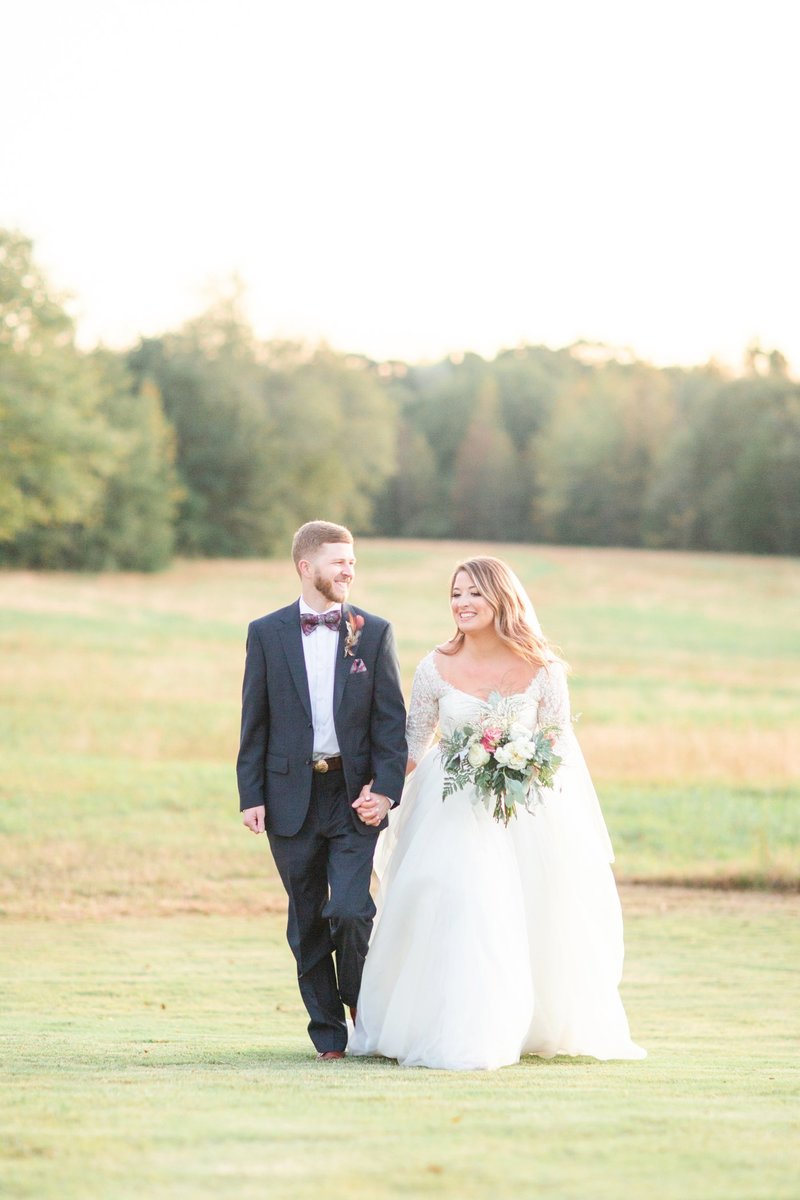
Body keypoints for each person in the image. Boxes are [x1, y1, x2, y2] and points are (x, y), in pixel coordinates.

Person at [349, 556, 645, 1070]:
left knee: (533, 912)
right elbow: (414, 742)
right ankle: (446, 1026)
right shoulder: (434, 665)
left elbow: (558, 741)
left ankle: (526, 1023)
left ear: (501, 600)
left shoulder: (543, 668)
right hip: (449, 809)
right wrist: (382, 793)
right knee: (457, 901)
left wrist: (523, 760)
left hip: (523, 811)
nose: (462, 603)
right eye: (456, 594)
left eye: (474, 594)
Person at [237, 520, 407, 1060]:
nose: (349, 570)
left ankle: (361, 1001)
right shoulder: (266, 632)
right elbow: (253, 719)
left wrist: (384, 791)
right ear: (305, 567)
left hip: (354, 797)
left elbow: (390, 724)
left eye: (352, 561)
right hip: (289, 797)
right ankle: (328, 1035)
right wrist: (251, 794)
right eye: (338, 561)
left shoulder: (373, 632)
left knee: (352, 911)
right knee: (307, 918)